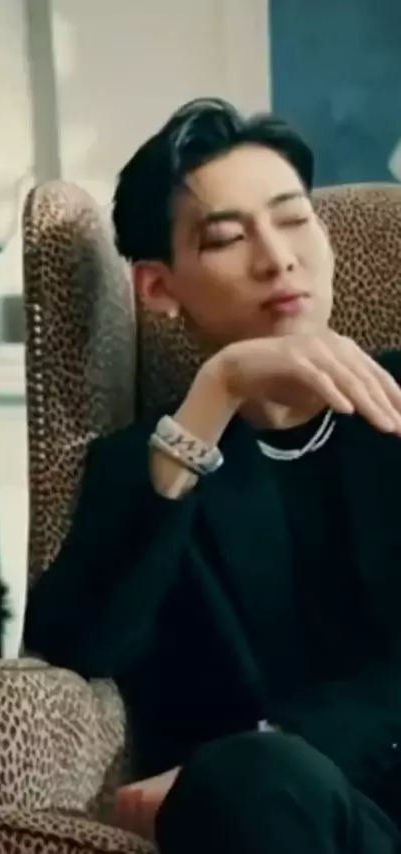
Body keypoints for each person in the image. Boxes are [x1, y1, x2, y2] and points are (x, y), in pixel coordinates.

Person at [23, 98, 401, 853]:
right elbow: (73, 649)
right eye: (228, 237)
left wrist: (288, 737)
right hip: (277, 816)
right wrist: (216, 393)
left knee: (248, 768)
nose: (278, 258)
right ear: (159, 289)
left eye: (294, 220)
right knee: (244, 781)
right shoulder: (143, 463)